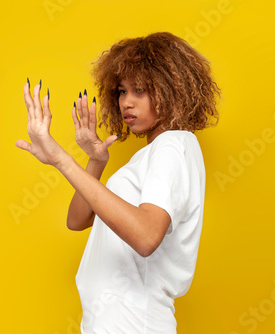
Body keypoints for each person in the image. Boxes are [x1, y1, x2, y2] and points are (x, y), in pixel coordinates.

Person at [16, 31, 221, 334]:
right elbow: (77, 220)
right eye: (122, 91)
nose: (127, 101)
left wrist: (61, 159)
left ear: (170, 89)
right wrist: (95, 163)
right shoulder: (152, 154)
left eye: (140, 90)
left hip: (135, 324)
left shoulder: (172, 145)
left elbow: (147, 236)